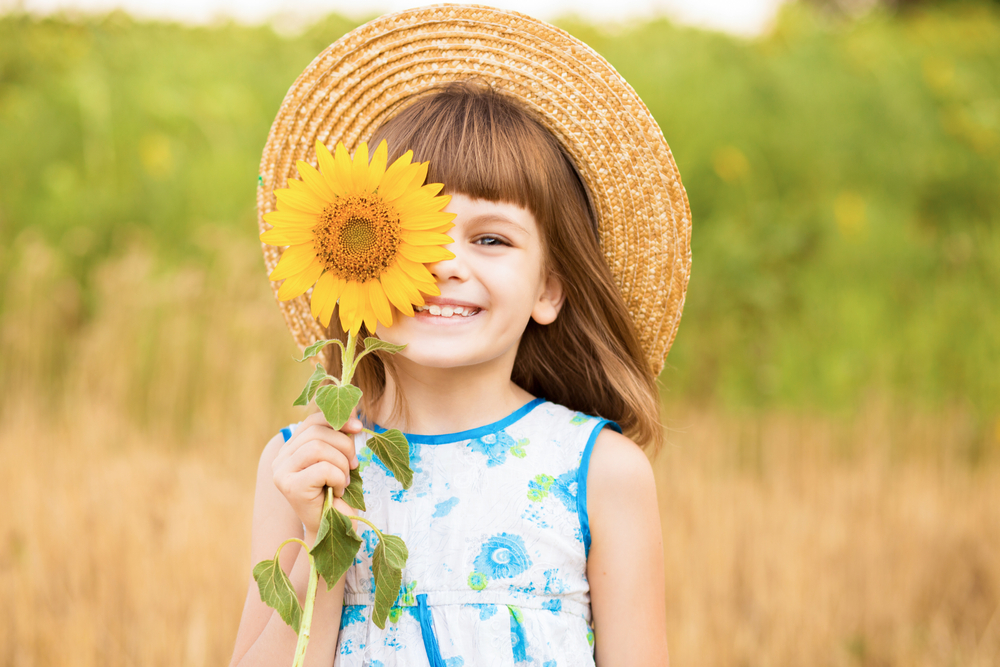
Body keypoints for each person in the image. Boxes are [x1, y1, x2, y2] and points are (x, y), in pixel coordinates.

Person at [231, 6, 691, 666]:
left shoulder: (598, 469)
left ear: (548, 288)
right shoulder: (307, 464)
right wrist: (321, 538)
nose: (446, 263)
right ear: (353, 260)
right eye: (411, 235)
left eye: (491, 238)